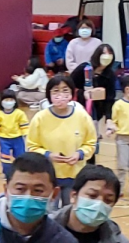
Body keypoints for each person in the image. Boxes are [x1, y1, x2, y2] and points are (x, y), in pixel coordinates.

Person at [26, 76, 97, 204]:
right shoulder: (40, 118)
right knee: (48, 210)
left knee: (69, 210)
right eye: (56, 91)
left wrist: (79, 154)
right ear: (49, 94)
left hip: (74, 175)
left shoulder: (82, 116)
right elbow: (31, 147)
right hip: (47, 176)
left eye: (65, 90)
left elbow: (91, 143)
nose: (61, 95)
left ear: (71, 93)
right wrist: (48, 155)